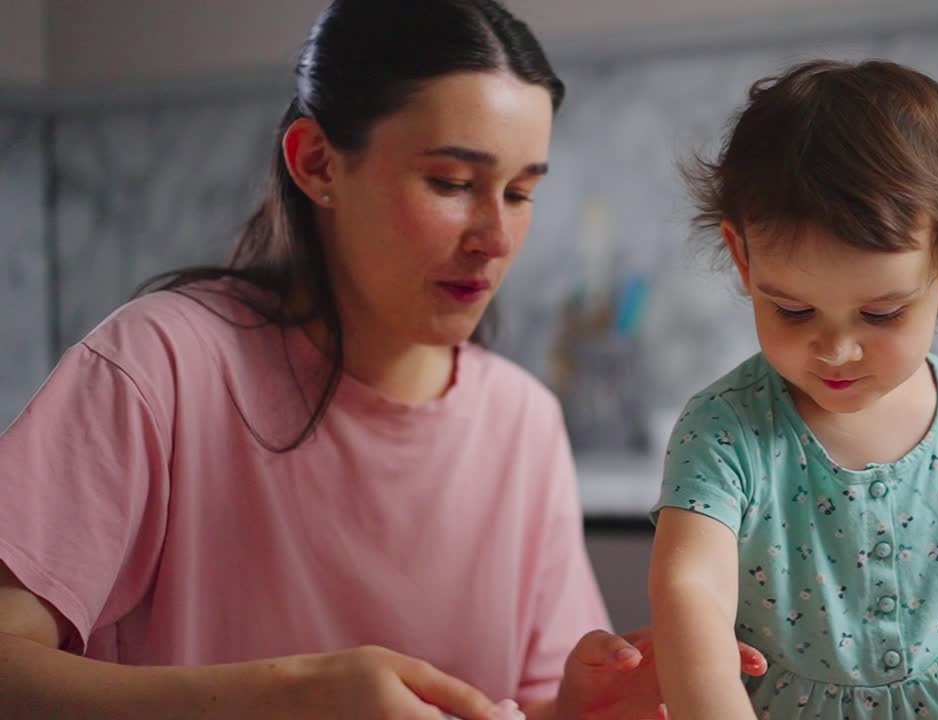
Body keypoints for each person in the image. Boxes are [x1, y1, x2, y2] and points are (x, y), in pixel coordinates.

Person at [0, 2, 765, 719]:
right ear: (317, 164)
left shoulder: (521, 420)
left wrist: (578, 706)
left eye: (520, 193)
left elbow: (522, 704)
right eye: (452, 183)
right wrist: (284, 697)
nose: (496, 238)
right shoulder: (158, 366)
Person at [648, 59, 938, 719]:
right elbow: (691, 593)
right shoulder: (725, 433)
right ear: (743, 255)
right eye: (793, 310)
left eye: (880, 314)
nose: (836, 350)